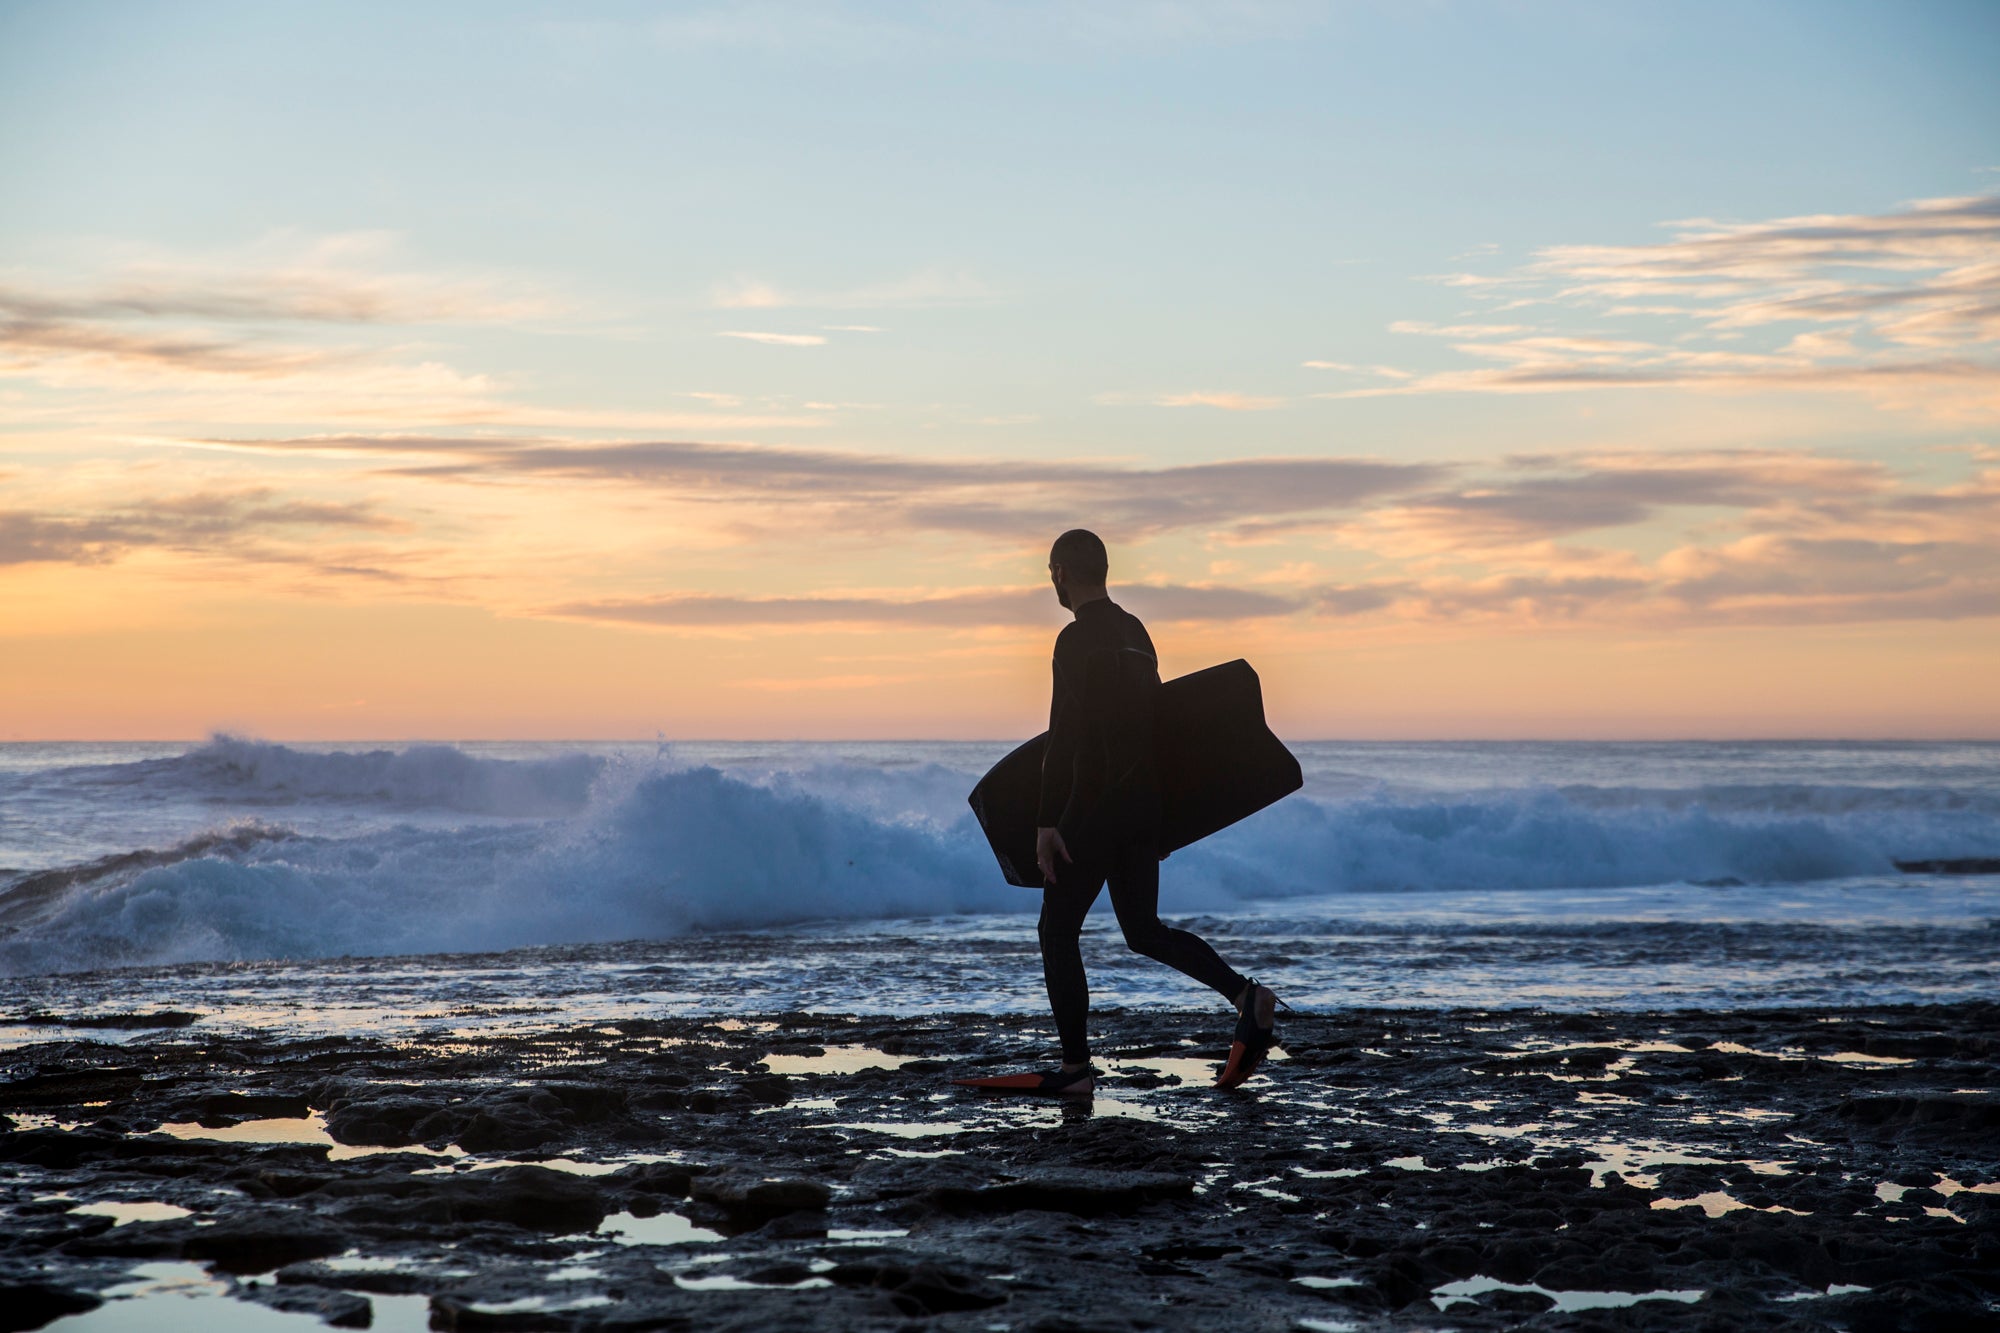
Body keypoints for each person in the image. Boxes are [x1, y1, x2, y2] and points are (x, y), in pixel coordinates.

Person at [1024, 528, 1278, 1095]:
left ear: (1062, 572)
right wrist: (1165, 817)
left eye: (1051, 572)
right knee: (1142, 930)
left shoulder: (1074, 640)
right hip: (1143, 807)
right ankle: (1246, 996)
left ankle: (1074, 1071)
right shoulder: (1137, 631)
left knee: (1057, 929)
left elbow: (1064, 740)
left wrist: (1048, 822)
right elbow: (1159, 729)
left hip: (1094, 810)